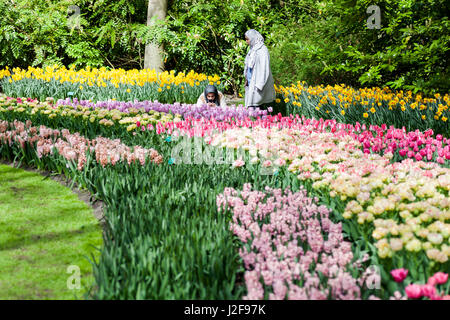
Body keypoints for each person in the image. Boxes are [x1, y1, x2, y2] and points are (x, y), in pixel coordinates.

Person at [244, 29, 275, 109]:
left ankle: (259, 119)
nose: (246, 41)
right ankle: (253, 119)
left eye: (247, 39)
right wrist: (246, 79)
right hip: (251, 79)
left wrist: (260, 83)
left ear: (253, 38)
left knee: (257, 102)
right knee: (252, 102)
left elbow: (264, 68)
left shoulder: (262, 50)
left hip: (258, 81)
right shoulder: (252, 49)